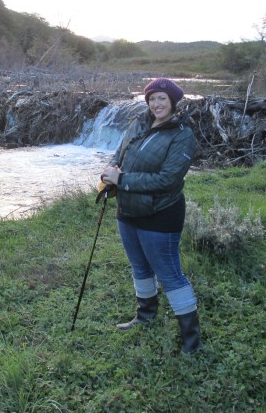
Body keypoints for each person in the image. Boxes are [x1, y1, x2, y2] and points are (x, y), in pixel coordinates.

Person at [100, 77, 201, 354]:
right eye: (152, 98)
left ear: (173, 103)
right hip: (128, 211)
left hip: (160, 215)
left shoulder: (182, 135)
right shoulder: (138, 123)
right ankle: (145, 315)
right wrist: (111, 172)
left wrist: (123, 181)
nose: (156, 104)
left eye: (162, 99)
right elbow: (119, 154)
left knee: (170, 275)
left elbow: (168, 180)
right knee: (140, 268)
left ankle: (191, 340)